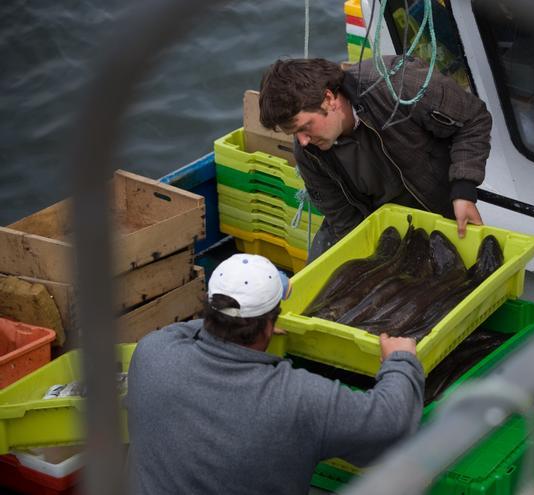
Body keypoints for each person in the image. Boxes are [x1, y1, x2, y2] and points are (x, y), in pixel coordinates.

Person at [126, 253, 424, 494]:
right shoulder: (296, 398)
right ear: (270, 326)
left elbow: (182, 332)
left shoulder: (151, 354)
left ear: (209, 306)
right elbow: (390, 423)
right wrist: (400, 360)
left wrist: (245, 320)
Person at [258, 56, 492, 260]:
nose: (303, 141)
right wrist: (377, 257)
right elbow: (344, 219)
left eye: (306, 126)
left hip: (437, 203)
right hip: (376, 221)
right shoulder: (309, 153)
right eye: (294, 134)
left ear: (329, 98)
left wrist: (463, 190)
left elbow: (472, 119)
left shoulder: (400, 84)